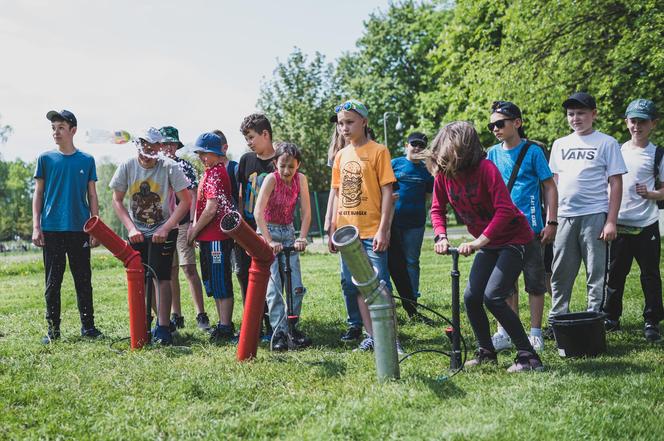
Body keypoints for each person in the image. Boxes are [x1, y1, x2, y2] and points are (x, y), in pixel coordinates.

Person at [429, 121, 543, 372]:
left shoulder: (486, 169)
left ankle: (529, 357)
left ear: (462, 149)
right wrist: (441, 237)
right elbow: (437, 209)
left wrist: (479, 241)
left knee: (493, 297)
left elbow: (504, 210)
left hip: (515, 238)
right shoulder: (445, 175)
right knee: (472, 297)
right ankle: (486, 352)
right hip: (490, 243)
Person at [546, 92, 627, 336]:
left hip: (594, 215)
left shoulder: (607, 142)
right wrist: (552, 218)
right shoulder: (560, 144)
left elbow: (616, 183)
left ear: (594, 114)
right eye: (571, 114)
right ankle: (557, 320)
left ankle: (594, 319)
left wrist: (611, 220)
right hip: (565, 217)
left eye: (581, 113)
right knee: (560, 272)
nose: (576, 118)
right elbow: (553, 184)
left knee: (596, 272)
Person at [486, 101, 558, 352]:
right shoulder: (491, 154)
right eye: (491, 125)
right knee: (504, 284)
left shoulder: (533, 151)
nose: (495, 128)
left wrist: (551, 221)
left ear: (517, 123)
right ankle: (504, 331)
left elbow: (549, 186)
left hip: (531, 228)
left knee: (535, 281)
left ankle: (535, 332)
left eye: (500, 123)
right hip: (501, 229)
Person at [109, 127, 191, 345]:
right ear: (139, 146)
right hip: (137, 231)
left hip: (164, 229)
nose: (147, 155)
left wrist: (166, 228)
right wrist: (130, 228)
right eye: (144, 149)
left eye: (153, 149)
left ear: (159, 149)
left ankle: (164, 327)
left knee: (162, 277)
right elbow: (117, 200)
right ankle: (148, 319)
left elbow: (186, 200)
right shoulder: (127, 166)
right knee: (141, 277)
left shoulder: (170, 167)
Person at [329, 99, 400, 352]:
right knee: (354, 284)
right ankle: (372, 336)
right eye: (340, 124)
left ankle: (391, 338)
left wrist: (384, 229)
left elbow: (387, 190)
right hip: (347, 234)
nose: (344, 128)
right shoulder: (340, 156)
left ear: (364, 122)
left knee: (379, 285)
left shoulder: (379, 151)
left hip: (372, 232)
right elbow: (336, 193)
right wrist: (332, 227)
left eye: (349, 122)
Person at [33, 109, 102, 344]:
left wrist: (96, 227)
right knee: (53, 282)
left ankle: (89, 327)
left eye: (61, 127)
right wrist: (36, 226)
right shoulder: (45, 159)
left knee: (83, 279)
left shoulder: (87, 160)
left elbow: (92, 195)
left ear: (73, 130)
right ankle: (53, 331)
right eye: (53, 128)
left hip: (79, 228)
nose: (56, 132)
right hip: (52, 228)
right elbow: (39, 194)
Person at [605, 99, 663, 342]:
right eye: (633, 121)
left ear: (653, 124)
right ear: (626, 122)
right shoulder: (616, 151)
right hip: (618, 224)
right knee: (615, 273)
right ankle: (610, 317)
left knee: (649, 275)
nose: (637, 126)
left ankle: (651, 321)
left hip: (646, 224)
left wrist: (651, 194)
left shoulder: (657, 154)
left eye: (642, 121)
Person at [254, 142, 312, 350]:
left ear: (298, 166)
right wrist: (269, 241)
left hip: (288, 231)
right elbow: (257, 212)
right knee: (274, 286)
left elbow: (306, 212)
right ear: (275, 164)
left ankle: (291, 327)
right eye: (283, 166)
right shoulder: (271, 179)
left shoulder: (301, 180)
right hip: (268, 230)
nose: (287, 171)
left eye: (291, 167)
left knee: (296, 286)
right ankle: (278, 333)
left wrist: (302, 237)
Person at [158, 126, 210, 332]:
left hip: (183, 224)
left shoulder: (184, 166)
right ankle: (176, 315)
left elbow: (194, 196)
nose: (168, 148)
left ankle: (201, 314)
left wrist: (194, 224)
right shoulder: (157, 167)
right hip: (164, 224)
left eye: (172, 144)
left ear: (176, 146)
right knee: (170, 271)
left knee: (188, 268)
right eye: (165, 144)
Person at [187, 132, 236, 343]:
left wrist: (194, 230)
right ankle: (221, 323)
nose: (201, 157)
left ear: (216, 153)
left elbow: (211, 208)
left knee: (221, 281)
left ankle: (226, 325)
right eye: (199, 153)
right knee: (214, 283)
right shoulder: (209, 172)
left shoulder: (216, 173)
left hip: (217, 237)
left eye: (205, 153)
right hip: (208, 237)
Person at [389, 131, 434, 323]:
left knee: (411, 262)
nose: (417, 148)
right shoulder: (395, 164)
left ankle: (412, 300)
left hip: (415, 224)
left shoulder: (426, 170)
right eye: (414, 144)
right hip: (392, 223)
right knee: (391, 264)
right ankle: (391, 299)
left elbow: (429, 196)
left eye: (421, 146)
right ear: (406, 145)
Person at [238, 113, 276, 338]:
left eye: (252, 137)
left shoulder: (281, 160)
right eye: (246, 139)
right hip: (250, 228)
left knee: (273, 278)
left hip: (273, 228)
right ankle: (254, 323)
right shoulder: (246, 160)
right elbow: (242, 197)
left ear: (265, 134)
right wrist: (244, 233)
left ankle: (276, 323)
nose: (249, 143)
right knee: (246, 275)